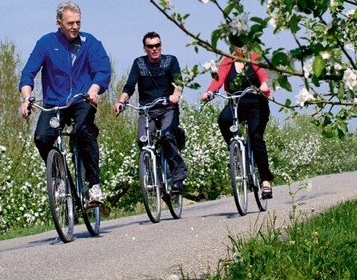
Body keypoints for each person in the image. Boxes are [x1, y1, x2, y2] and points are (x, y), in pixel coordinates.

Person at [19, 1, 111, 205]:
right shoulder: (46, 43)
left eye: (78, 22)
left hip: (81, 99)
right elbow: (28, 73)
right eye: (70, 23)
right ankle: (61, 180)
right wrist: (26, 98)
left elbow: (103, 69)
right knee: (41, 137)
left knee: (84, 131)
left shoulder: (90, 43)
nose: (75, 27)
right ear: (59, 23)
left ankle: (94, 186)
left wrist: (94, 90)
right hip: (54, 102)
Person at [113, 31, 188, 193]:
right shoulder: (139, 64)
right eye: (150, 46)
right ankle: (155, 174)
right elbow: (129, 86)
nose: (155, 49)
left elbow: (178, 81)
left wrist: (176, 95)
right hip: (147, 110)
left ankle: (177, 176)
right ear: (145, 48)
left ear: (161, 46)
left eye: (157, 45)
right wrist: (121, 101)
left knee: (167, 136)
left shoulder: (170, 61)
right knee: (143, 140)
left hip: (168, 108)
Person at [200, 45, 274, 199]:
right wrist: (209, 92)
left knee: (256, 138)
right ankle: (236, 151)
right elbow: (219, 78)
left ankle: (266, 180)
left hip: (257, 104)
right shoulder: (227, 61)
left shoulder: (254, 57)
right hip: (236, 104)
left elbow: (264, 75)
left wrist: (265, 85)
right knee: (224, 119)